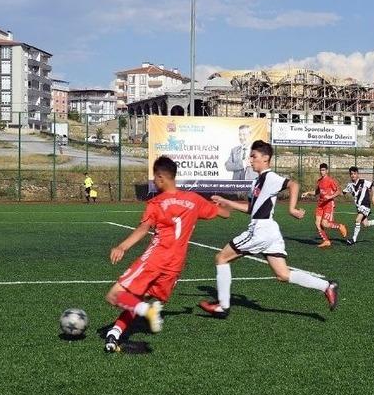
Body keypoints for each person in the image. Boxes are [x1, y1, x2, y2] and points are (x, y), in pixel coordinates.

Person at [103, 156, 230, 353]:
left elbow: (144, 228)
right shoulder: (194, 199)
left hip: (156, 258)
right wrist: (220, 203)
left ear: (161, 177)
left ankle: (148, 312)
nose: (153, 181)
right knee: (138, 298)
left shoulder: (156, 202)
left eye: (155, 177)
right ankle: (116, 332)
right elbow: (225, 214)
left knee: (114, 296)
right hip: (176, 264)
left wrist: (122, 246)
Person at [199, 141, 339, 319]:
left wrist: (292, 209)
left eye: (254, 156)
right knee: (283, 274)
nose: (250, 160)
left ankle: (223, 307)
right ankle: (327, 286)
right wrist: (227, 202)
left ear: (266, 158)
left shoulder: (270, 177)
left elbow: (293, 185)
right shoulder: (256, 182)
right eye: (250, 156)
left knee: (221, 258)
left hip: (261, 229)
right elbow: (251, 208)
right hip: (270, 231)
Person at [302, 163, 348, 248]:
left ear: (327, 171)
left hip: (328, 204)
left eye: (323, 170)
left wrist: (330, 197)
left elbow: (338, 191)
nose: (322, 172)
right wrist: (308, 192)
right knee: (317, 223)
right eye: (321, 170)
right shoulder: (319, 181)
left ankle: (340, 226)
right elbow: (316, 192)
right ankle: (326, 241)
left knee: (325, 224)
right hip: (320, 204)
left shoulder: (330, 180)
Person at [342, 166, 374, 245]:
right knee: (365, 224)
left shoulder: (363, 182)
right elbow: (343, 192)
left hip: (365, 205)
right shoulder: (350, 185)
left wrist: (373, 199)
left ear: (357, 174)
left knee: (357, 220)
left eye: (354, 173)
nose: (353, 175)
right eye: (351, 174)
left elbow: (372, 187)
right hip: (359, 207)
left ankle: (353, 239)